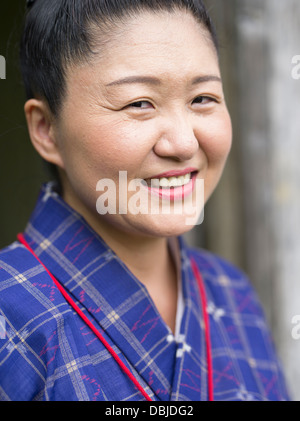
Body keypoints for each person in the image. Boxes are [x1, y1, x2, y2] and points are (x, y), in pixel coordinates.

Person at [0, 0, 289, 401]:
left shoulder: (232, 291)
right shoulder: (7, 312)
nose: (184, 143)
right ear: (47, 129)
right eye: (139, 103)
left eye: (202, 98)